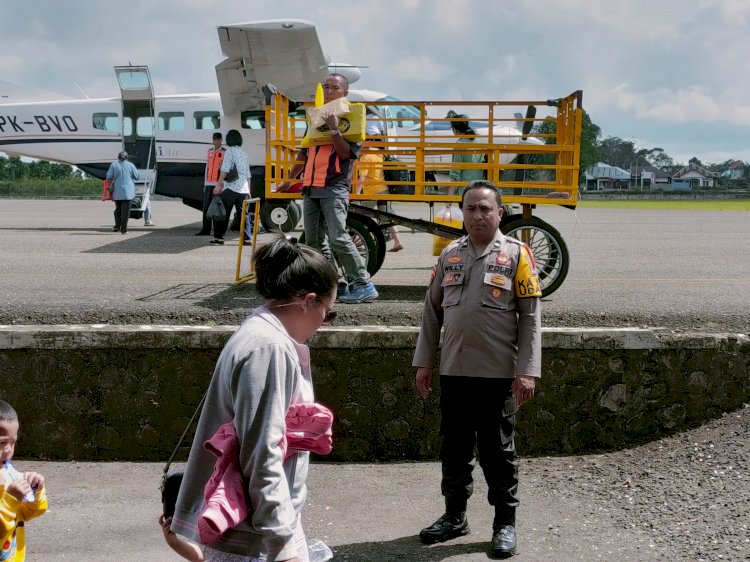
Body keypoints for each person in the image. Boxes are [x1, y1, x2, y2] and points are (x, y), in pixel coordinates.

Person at [171, 234, 339, 562]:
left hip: (252, 525)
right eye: (328, 312)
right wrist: (284, 545)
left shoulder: (258, 330)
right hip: (255, 534)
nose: (324, 323)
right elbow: (262, 454)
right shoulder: (270, 349)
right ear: (308, 301)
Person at [412, 180, 542, 558]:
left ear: (500, 213)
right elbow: (430, 313)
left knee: (498, 452)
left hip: (498, 375)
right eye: (471, 208)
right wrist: (424, 362)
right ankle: (455, 517)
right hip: (454, 372)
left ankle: (504, 524)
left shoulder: (518, 255)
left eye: (486, 208)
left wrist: (527, 370)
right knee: (453, 449)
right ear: (463, 213)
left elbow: (531, 318)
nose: (478, 215)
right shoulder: (450, 254)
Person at [277, 74, 378, 304]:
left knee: (338, 237)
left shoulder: (352, 118)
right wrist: (292, 179)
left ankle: (364, 284)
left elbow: (346, 154)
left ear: (345, 93)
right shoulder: (315, 119)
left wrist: (334, 129)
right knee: (313, 240)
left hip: (333, 186)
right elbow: (304, 151)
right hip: (311, 186)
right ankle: (335, 283)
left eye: (335, 87)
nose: (330, 91)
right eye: (326, 87)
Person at [0, 400, 48, 562]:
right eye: (2, 443)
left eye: (13, 442)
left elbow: (27, 514)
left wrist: (35, 491)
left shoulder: (8, 476)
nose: (8, 450)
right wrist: (11, 499)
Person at [357, 108, 404, 252]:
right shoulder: (379, 154)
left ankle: (357, 242)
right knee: (387, 216)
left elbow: (362, 177)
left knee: (360, 217)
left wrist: (357, 194)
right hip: (384, 190)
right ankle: (397, 241)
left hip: (371, 192)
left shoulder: (366, 157)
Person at [210, 129, 252, 246]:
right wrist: (248, 191)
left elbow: (225, 170)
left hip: (231, 189)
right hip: (243, 190)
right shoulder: (244, 155)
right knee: (244, 215)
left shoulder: (229, 152)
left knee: (222, 213)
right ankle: (247, 239)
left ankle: (219, 238)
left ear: (228, 140)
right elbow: (248, 175)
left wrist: (218, 185)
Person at [447, 110, 485, 197]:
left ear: (455, 130)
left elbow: (455, 174)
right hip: (480, 189)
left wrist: (449, 198)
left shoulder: (460, 144)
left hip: (466, 191)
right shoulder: (480, 141)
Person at [197, 132, 226, 236]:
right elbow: (207, 168)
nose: (216, 141)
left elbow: (225, 170)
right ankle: (205, 230)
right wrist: (205, 184)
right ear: (212, 140)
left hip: (218, 184)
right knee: (206, 207)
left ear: (221, 140)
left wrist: (222, 184)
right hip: (209, 183)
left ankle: (217, 230)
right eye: (215, 139)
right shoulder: (209, 152)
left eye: (218, 139)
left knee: (217, 208)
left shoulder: (224, 152)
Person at [106, 150, 139, 234]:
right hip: (128, 193)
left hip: (117, 192)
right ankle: (123, 230)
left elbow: (109, 176)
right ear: (127, 157)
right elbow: (137, 177)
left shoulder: (113, 165)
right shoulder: (131, 165)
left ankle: (117, 226)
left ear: (118, 157)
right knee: (126, 212)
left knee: (118, 209)